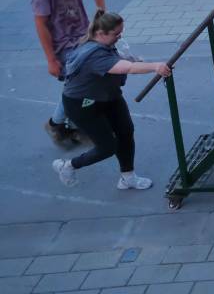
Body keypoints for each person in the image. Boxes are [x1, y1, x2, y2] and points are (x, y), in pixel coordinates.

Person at [51, 11, 171, 190]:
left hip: (108, 96)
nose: (120, 36)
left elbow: (121, 61)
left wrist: (132, 59)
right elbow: (127, 68)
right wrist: (155, 66)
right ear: (101, 34)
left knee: (126, 131)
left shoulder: (103, 44)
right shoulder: (94, 55)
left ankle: (128, 177)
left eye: (121, 32)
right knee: (107, 147)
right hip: (83, 105)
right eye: (116, 33)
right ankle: (67, 166)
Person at [34, 0, 106, 147]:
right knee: (80, 84)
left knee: (83, 83)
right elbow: (41, 25)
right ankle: (60, 123)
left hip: (84, 36)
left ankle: (63, 123)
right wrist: (51, 60)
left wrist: (101, 10)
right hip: (63, 45)